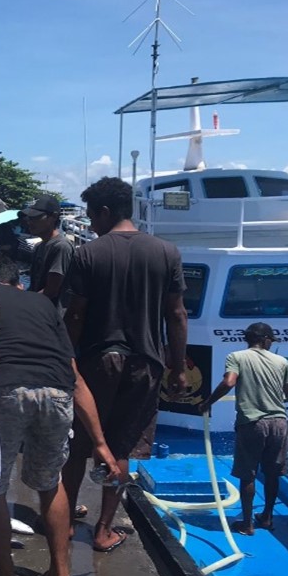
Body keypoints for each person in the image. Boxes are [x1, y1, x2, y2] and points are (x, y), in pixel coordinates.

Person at [0, 257, 120, 576]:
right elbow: (74, 375)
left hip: (7, 389)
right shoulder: (44, 305)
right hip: (57, 392)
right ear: (20, 283)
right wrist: (100, 443)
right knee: (50, 482)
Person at [61, 176, 188, 554]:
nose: (90, 223)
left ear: (104, 212)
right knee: (123, 447)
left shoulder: (88, 254)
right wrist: (178, 367)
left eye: (91, 215)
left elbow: (75, 316)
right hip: (145, 362)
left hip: (96, 361)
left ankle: (64, 523)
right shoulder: (167, 252)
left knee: (79, 443)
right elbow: (177, 315)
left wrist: (65, 358)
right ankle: (103, 530)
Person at [198, 322, 288, 535]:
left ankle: (247, 524)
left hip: (252, 423)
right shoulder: (281, 361)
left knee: (249, 474)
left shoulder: (237, 357)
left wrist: (207, 402)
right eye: (271, 341)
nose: (271, 344)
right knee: (273, 473)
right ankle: (267, 518)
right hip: (279, 422)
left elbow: (229, 383)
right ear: (265, 340)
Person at [21, 195, 74, 312]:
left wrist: (25, 304)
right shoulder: (38, 246)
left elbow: (51, 290)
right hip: (39, 311)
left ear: (53, 217)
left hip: (53, 316)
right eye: (29, 218)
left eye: (36, 218)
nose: (30, 222)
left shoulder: (61, 246)